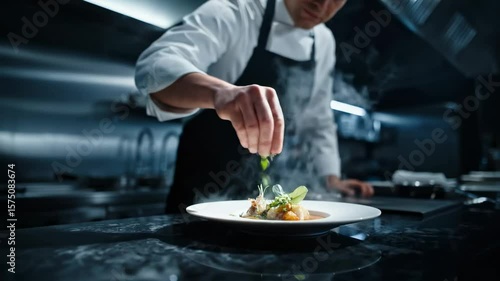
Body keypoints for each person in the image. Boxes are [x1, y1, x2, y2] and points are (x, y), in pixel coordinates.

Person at [135, 0, 374, 213]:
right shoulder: (238, 10)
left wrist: (331, 179)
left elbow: (318, 120)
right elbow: (154, 65)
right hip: (198, 194)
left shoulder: (323, 41)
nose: (320, 6)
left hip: (265, 200)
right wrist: (220, 94)